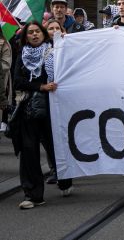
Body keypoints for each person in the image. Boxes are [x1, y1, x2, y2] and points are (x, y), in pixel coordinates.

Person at [12, 21, 72, 209]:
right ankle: (33, 195)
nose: (34, 35)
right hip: (29, 110)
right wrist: (41, 86)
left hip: (52, 109)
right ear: (25, 36)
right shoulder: (22, 55)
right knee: (28, 152)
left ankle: (65, 181)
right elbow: (17, 81)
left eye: (37, 31)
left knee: (56, 147)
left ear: (43, 34)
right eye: (30, 32)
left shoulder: (55, 52)